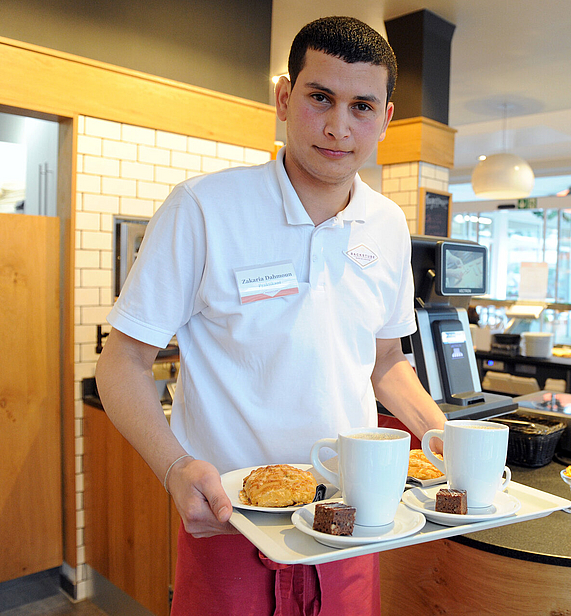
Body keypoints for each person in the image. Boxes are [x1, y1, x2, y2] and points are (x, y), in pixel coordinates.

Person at [95, 15, 446, 616]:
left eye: (362, 106)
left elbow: (386, 362)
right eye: (320, 98)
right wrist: (175, 467)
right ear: (285, 98)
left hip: (353, 523)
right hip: (233, 524)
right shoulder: (204, 208)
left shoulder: (387, 225)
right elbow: (122, 364)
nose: (338, 127)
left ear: (386, 118)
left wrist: (446, 437)